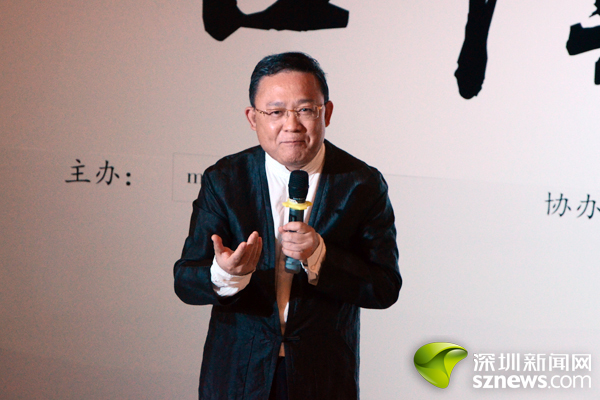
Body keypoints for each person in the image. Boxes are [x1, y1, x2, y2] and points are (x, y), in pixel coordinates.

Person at [174, 52, 402, 400]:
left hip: (322, 377)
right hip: (238, 375)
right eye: (276, 112)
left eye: (305, 110)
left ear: (326, 113)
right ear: (253, 118)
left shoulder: (361, 184)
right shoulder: (225, 180)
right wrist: (226, 273)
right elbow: (185, 281)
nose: (291, 125)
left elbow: (384, 287)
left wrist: (320, 256)